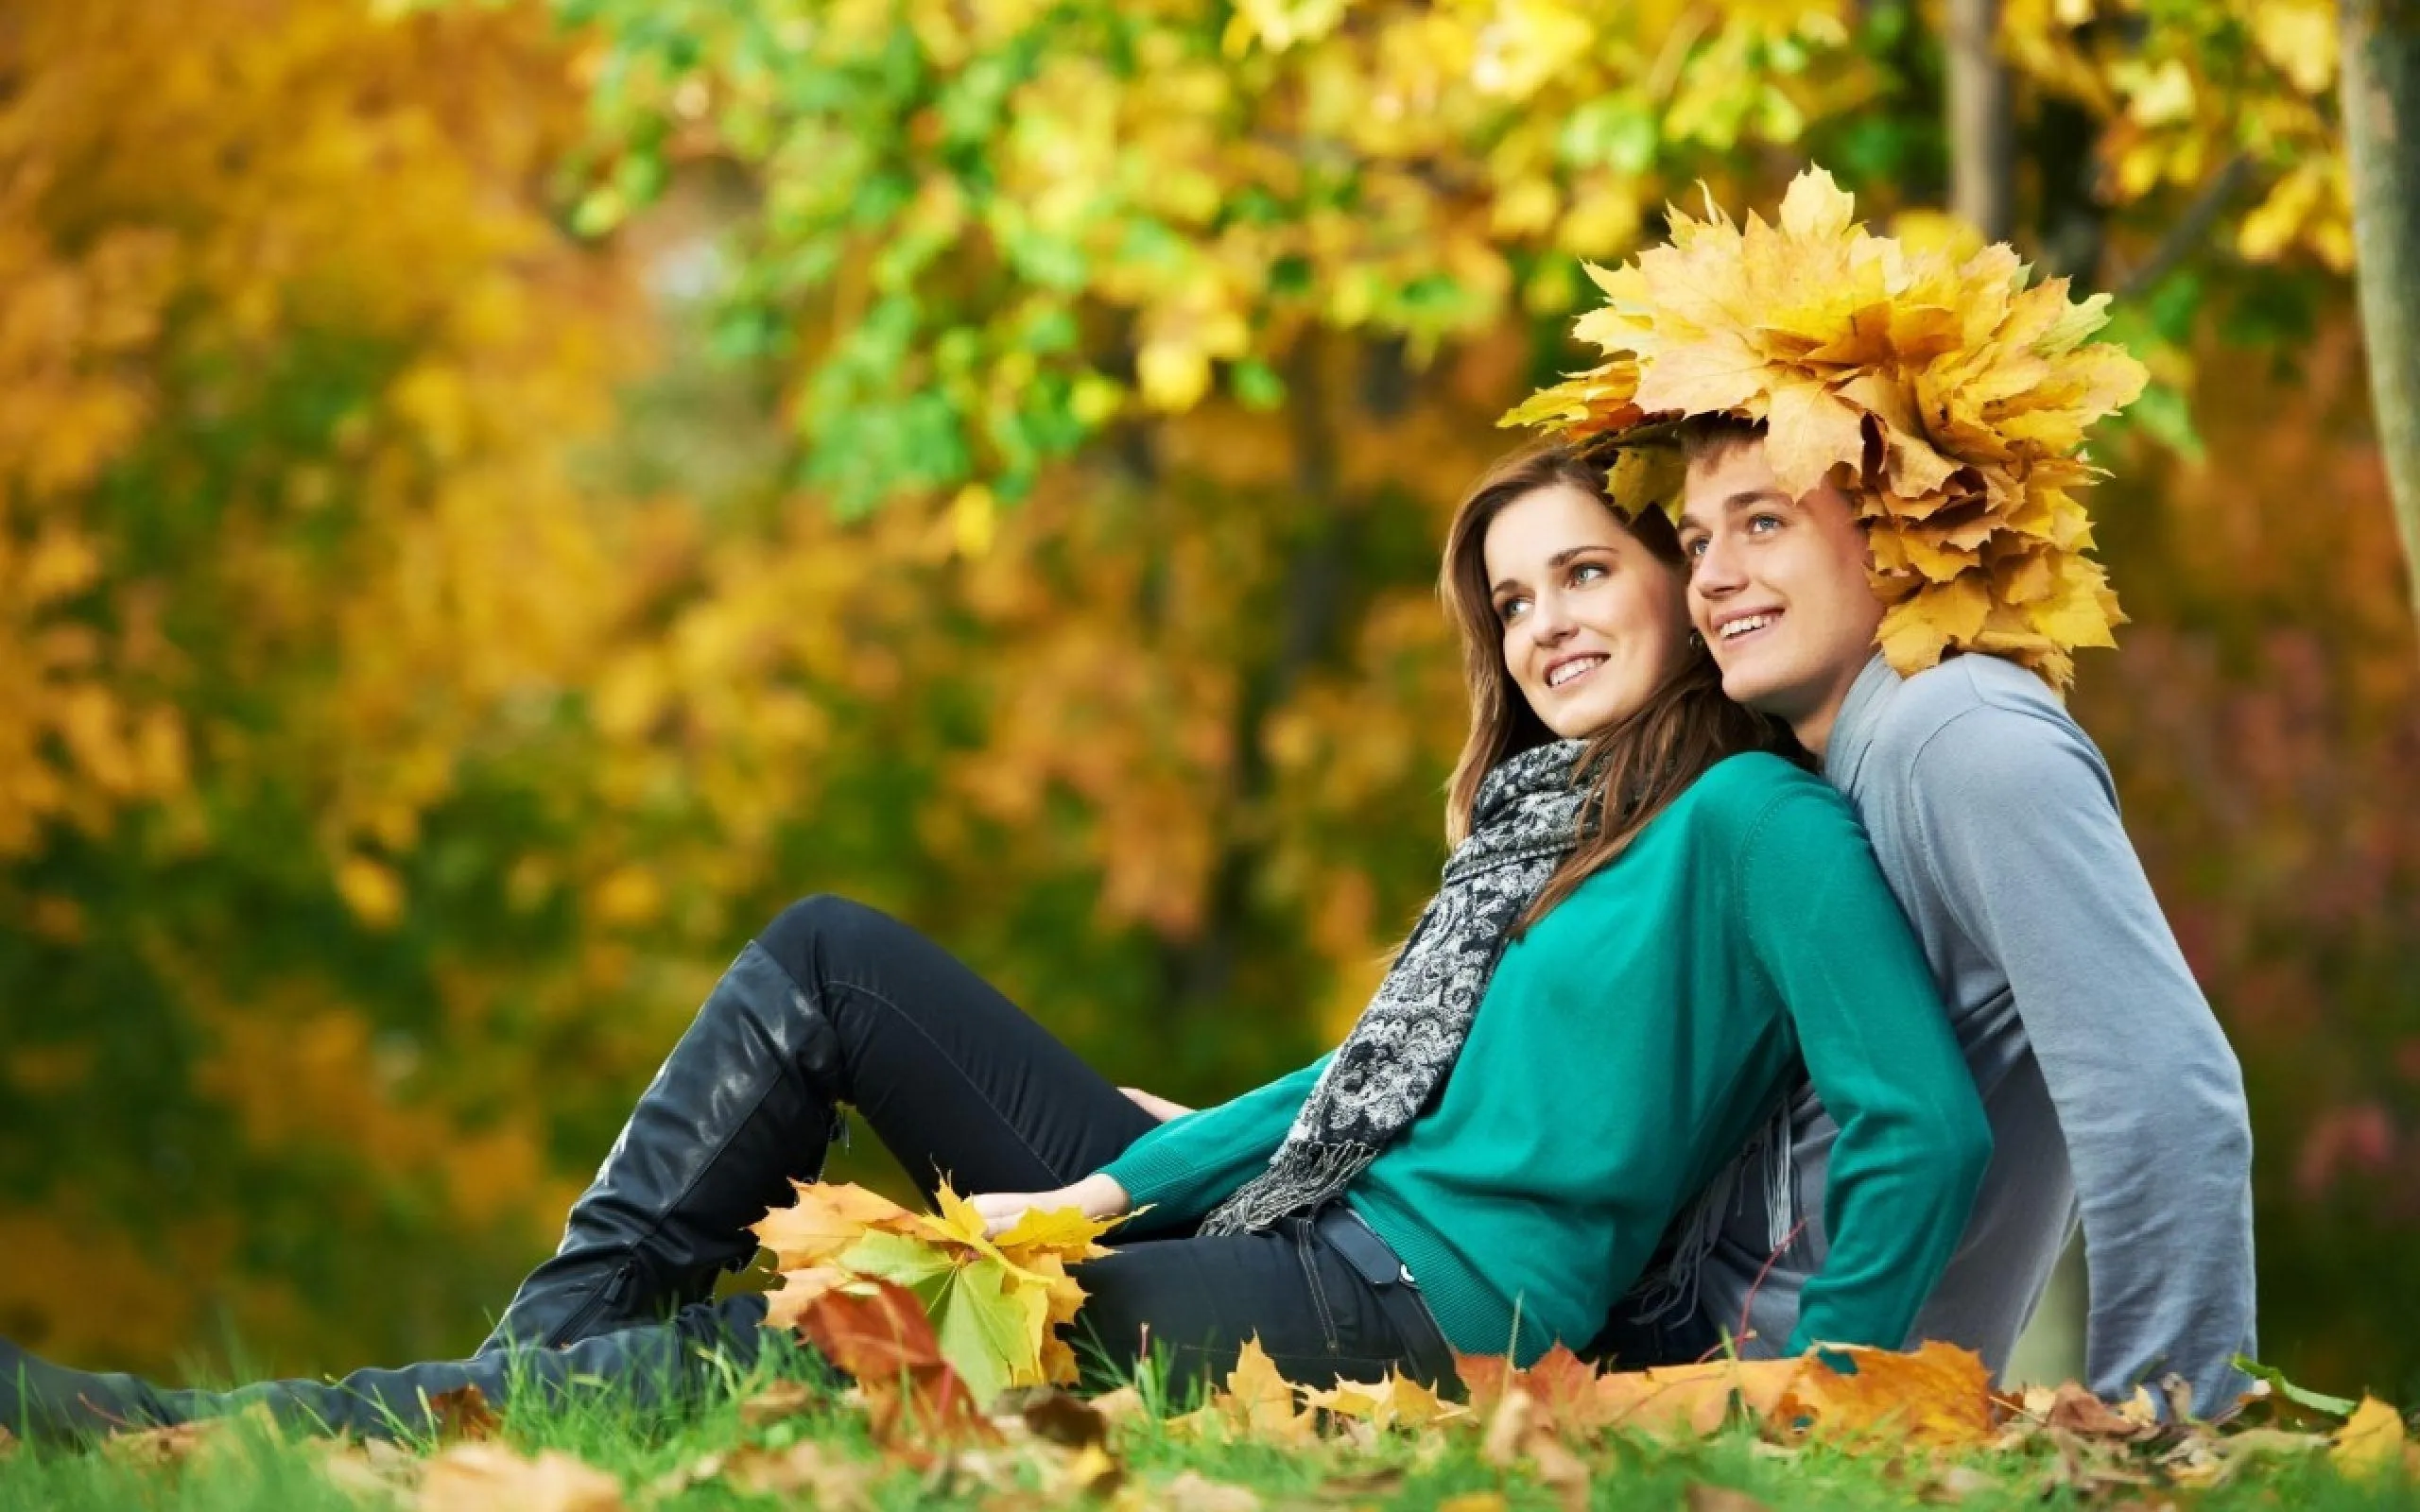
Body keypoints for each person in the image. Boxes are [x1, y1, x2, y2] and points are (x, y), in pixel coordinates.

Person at [0, 445, 1993, 1446]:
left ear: (1676, 579)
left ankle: (257, 1431)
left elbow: (1924, 1121)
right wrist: (1110, 1176)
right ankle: (522, 1393)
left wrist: (1806, 1410)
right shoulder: (1550, 825)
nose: (1549, 617)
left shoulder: (1741, 818)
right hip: (1310, 1215)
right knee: (829, 956)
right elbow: (1371, 1077)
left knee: (843, 1328)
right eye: (1511, 594)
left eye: (1588, 569)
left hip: (1410, 1307)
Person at [1509, 167, 2256, 1415]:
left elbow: (2166, 1098)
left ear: (1903, 522)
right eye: (1698, 541)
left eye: (1765, 523)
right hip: (1639, 1335)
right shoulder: (1832, 763)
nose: (1714, 579)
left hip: (1769, 1396)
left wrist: (2167, 1442)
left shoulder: (1962, 736)